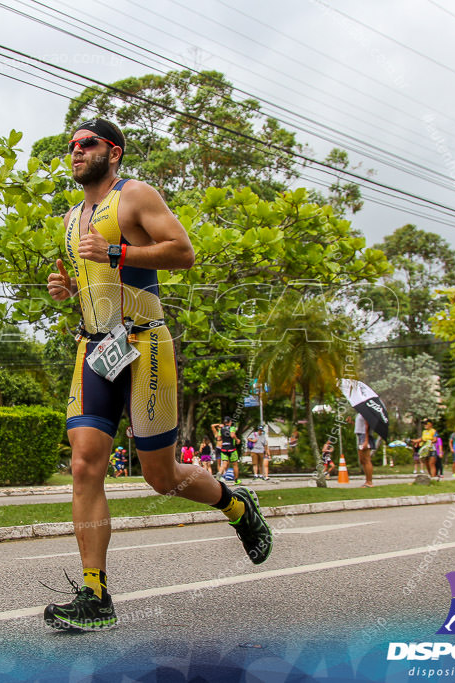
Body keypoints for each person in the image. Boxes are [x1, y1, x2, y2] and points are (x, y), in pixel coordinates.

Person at [44, 118, 272, 631]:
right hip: (94, 350)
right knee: (84, 465)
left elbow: (183, 252)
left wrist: (117, 251)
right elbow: (92, 280)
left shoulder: (134, 195)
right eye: (72, 146)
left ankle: (235, 503)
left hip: (146, 344)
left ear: (114, 152)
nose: (77, 152)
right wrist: (66, 289)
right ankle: (95, 593)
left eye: (88, 144)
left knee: (160, 477)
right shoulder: (70, 217)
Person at [211, 417, 240, 483]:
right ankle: (236, 480)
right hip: (231, 448)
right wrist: (237, 439)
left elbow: (219, 438)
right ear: (230, 422)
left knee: (224, 463)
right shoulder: (231, 428)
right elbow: (232, 435)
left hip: (223, 448)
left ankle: (219, 473)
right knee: (235, 464)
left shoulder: (221, 429)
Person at [354, 412, 375, 487]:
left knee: (366, 459)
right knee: (362, 460)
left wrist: (366, 440)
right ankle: (367, 481)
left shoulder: (366, 412)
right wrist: (351, 422)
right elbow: (360, 426)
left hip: (364, 436)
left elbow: (367, 426)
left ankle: (369, 482)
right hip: (360, 435)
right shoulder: (360, 412)